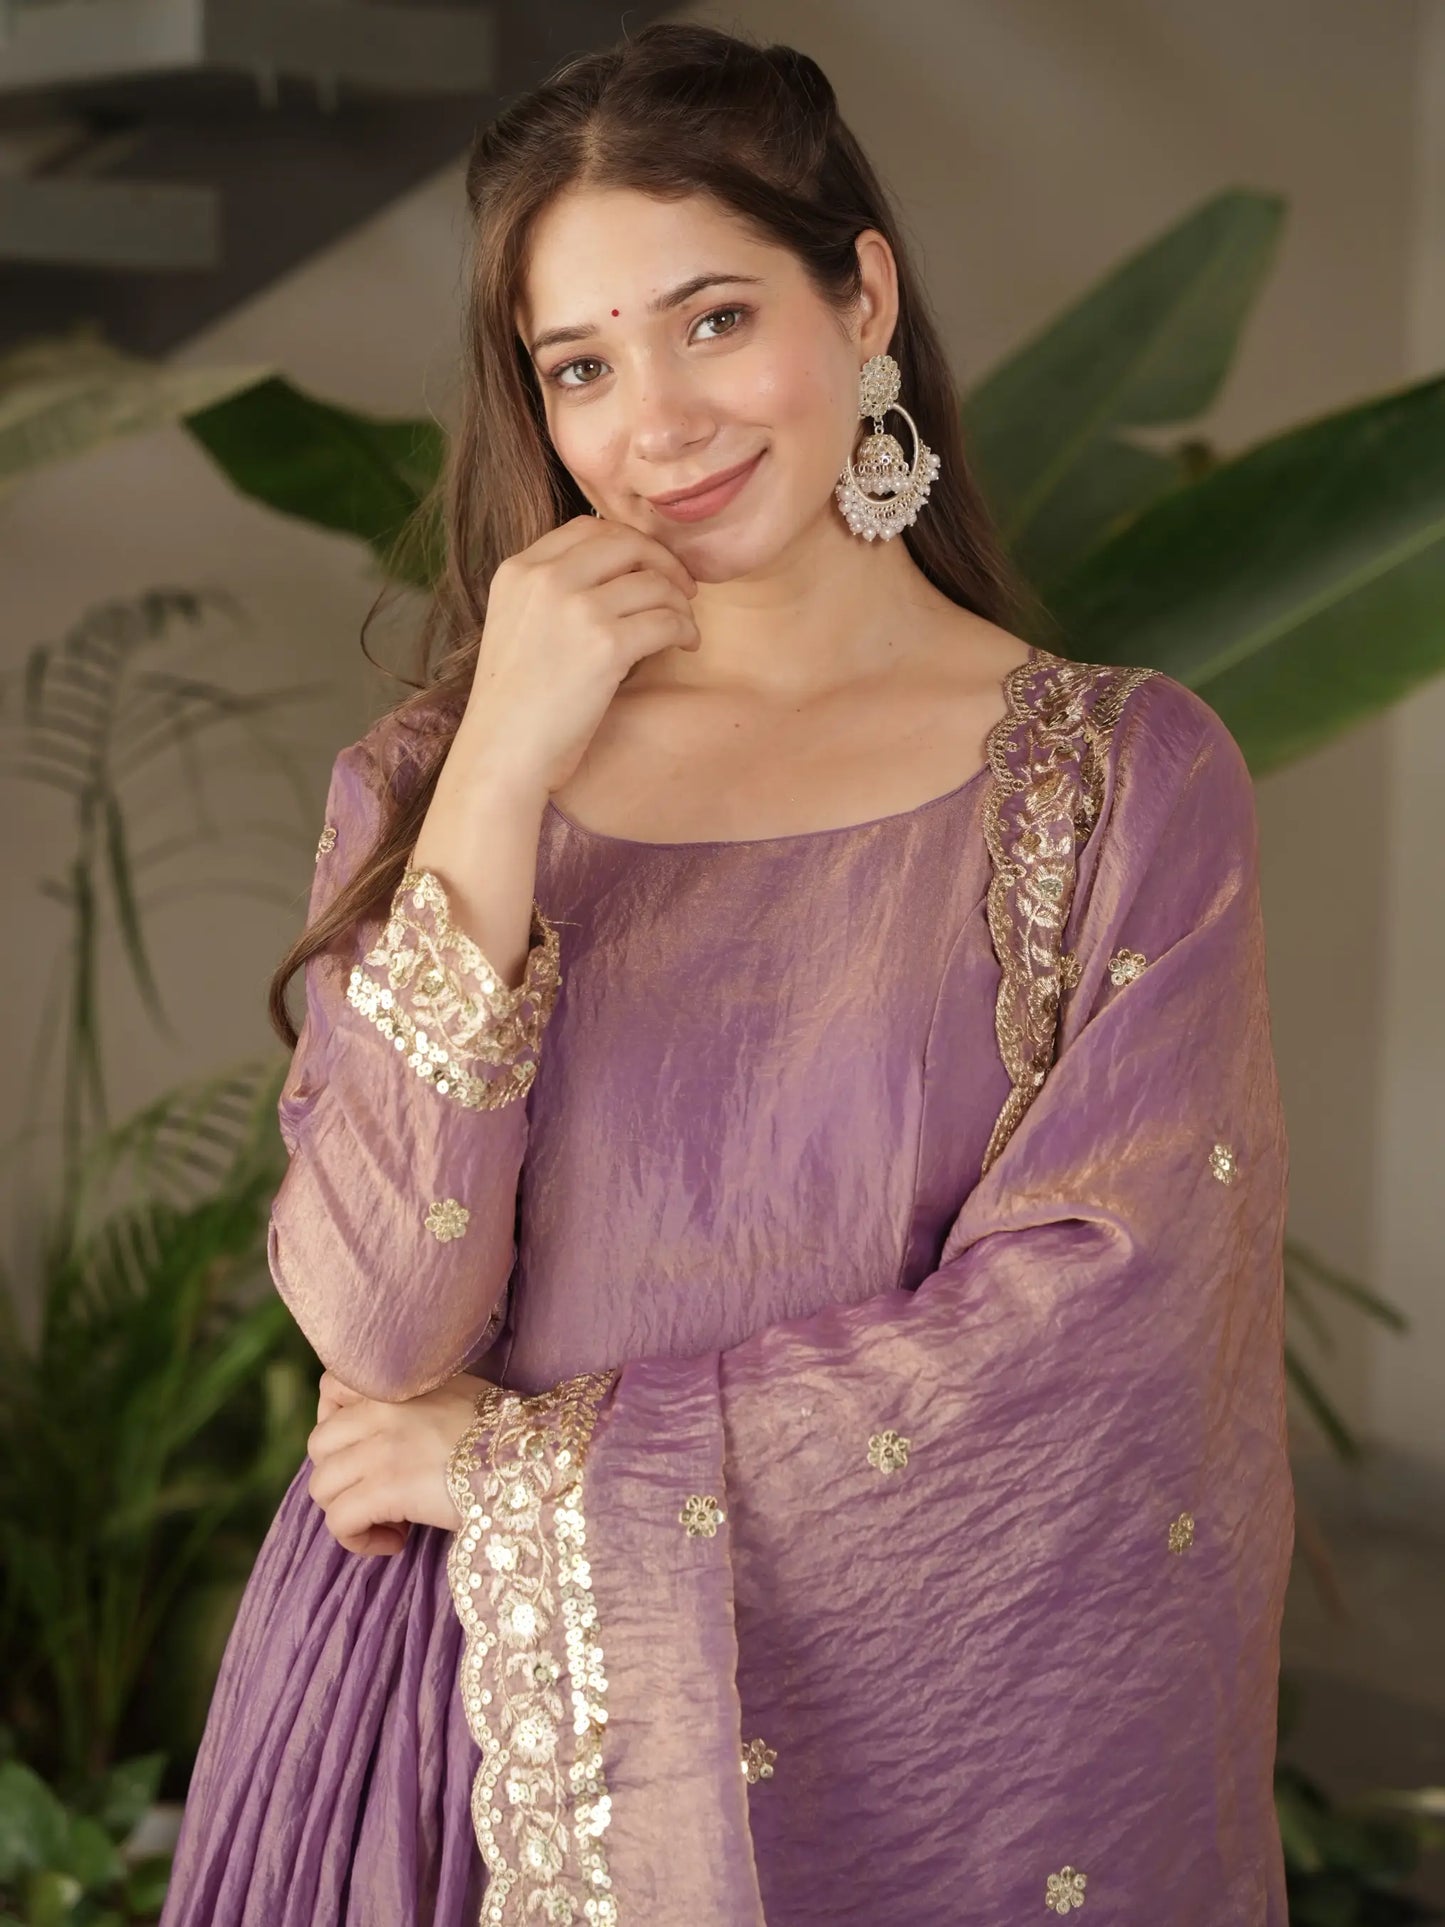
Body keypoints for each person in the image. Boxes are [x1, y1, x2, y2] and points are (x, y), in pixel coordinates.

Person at [159, 22, 1294, 1927]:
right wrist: (506, 769)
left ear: (862, 297)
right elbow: (376, 1319)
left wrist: (526, 1478)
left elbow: (1095, 1342)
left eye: (711, 321)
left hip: (902, 1780)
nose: (656, 424)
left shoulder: (1116, 781)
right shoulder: (444, 780)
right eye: (580, 365)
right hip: (450, 1748)